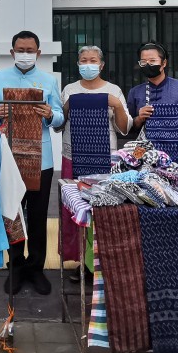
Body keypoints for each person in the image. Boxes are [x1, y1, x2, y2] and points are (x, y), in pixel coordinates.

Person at [0, 30, 64, 296]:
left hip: (40, 159)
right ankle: (15, 267)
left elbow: (60, 117)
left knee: (39, 216)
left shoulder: (48, 80)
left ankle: (36, 268)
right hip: (9, 158)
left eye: (30, 50)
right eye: (20, 49)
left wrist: (49, 113)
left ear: (39, 53)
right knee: (12, 213)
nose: (25, 54)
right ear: (12, 52)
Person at [57, 45, 129, 270]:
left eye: (93, 60)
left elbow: (124, 128)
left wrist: (116, 105)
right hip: (73, 156)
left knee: (103, 213)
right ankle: (81, 263)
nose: (88, 64)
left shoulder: (114, 91)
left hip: (104, 160)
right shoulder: (69, 89)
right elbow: (59, 125)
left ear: (101, 64)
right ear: (78, 64)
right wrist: (67, 107)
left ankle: (102, 264)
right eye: (84, 60)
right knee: (74, 212)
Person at [125, 42, 178, 130]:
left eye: (152, 61)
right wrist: (139, 118)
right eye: (143, 62)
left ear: (164, 63)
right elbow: (127, 127)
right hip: (146, 142)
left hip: (176, 142)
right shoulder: (135, 92)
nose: (147, 65)